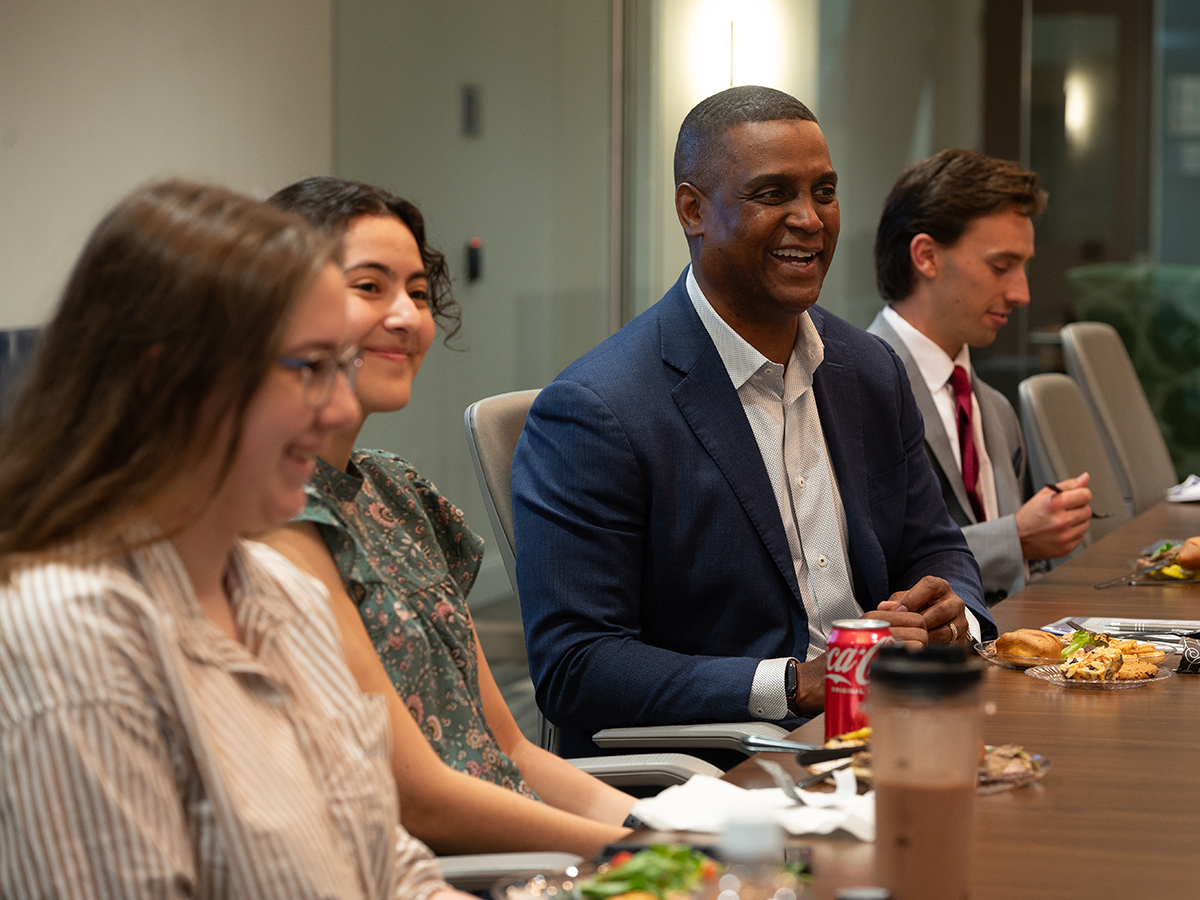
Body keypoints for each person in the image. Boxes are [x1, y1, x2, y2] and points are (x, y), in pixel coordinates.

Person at [0, 180, 471, 900]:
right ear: (169, 381)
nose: (341, 406)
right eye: (309, 369)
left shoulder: (277, 591)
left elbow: (390, 866)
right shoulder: (73, 631)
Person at [511, 85, 998, 760]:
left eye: (823, 191)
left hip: (891, 729)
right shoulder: (597, 412)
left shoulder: (869, 370)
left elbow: (937, 548)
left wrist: (955, 617)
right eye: (773, 194)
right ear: (693, 210)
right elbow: (578, 667)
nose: (810, 219)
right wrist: (797, 684)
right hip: (731, 774)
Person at [260, 176, 636, 858]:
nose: (406, 317)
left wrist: (661, 831)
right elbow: (420, 798)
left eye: (419, 293)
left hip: (531, 851)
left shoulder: (396, 490)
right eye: (369, 287)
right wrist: (634, 854)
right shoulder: (280, 516)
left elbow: (509, 746)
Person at [867, 148, 1092, 605]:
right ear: (926, 256)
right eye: (1001, 266)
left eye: (1024, 266)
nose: (1022, 292)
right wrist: (1017, 539)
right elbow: (868, 574)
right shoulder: (849, 393)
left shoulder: (995, 409)